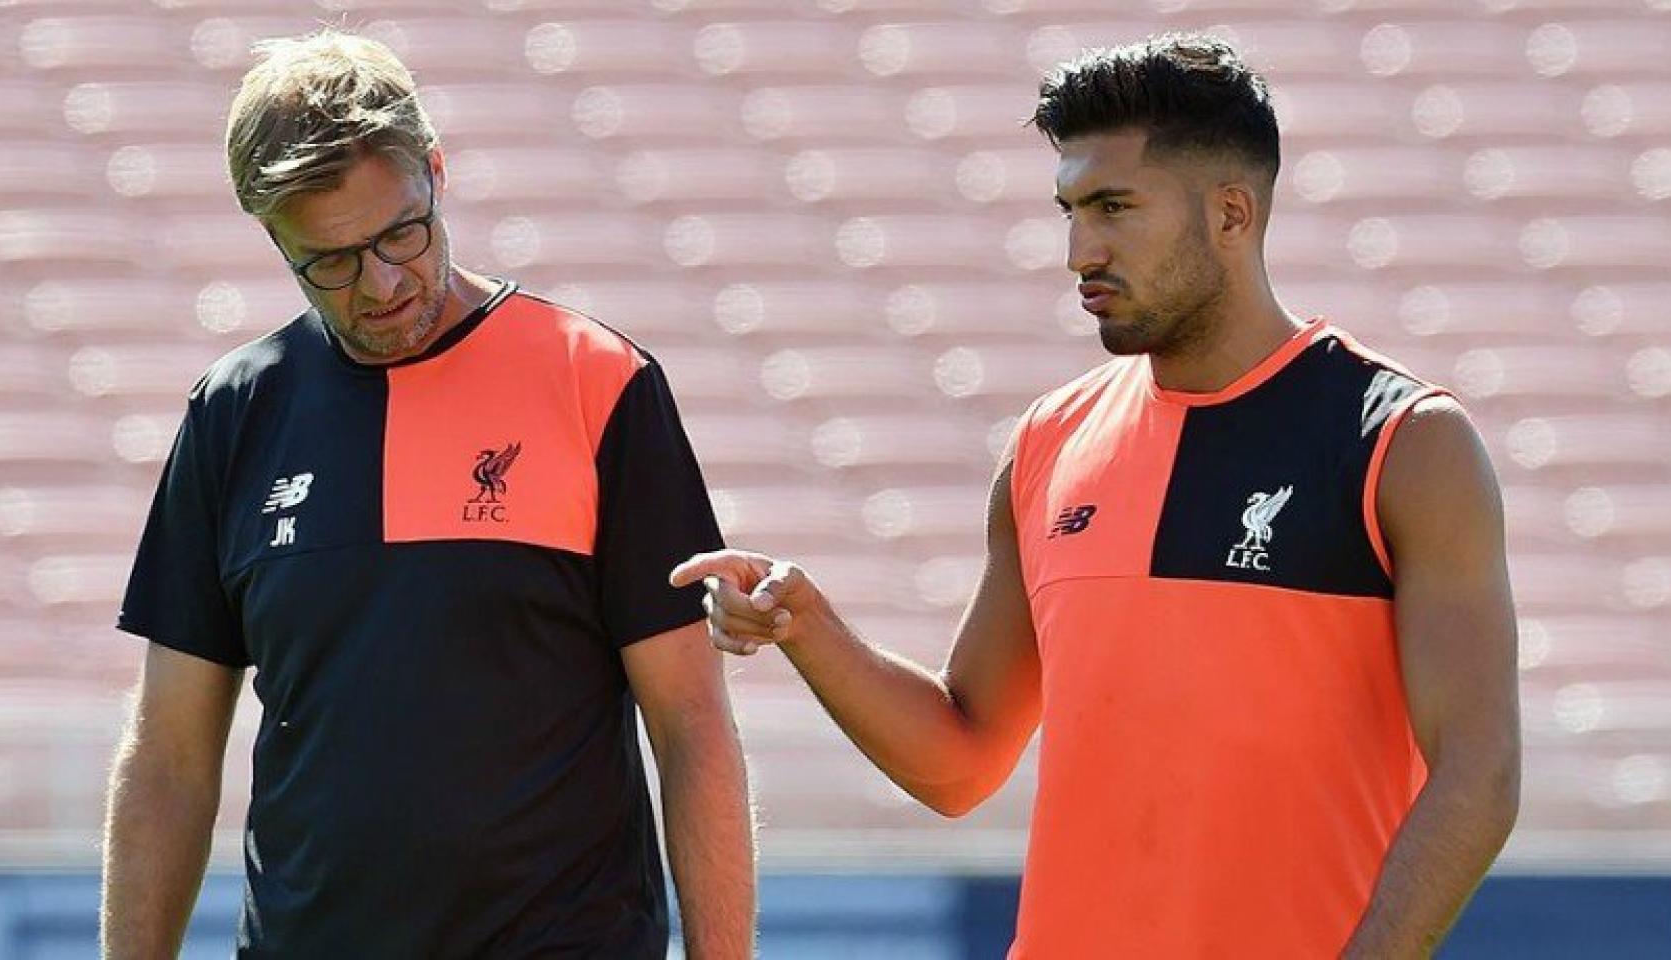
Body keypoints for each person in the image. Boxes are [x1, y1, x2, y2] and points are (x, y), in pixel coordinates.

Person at [674, 34, 1519, 958]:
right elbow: (961, 760)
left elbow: (1479, 774)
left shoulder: (1401, 440)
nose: (1081, 250)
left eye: (1114, 207)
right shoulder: (1049, 442)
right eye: (1070, 210)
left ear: (1231, 214)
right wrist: (809, 625)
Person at [103, 29, 753, 959]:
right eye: (329, 259)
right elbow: (167, 757)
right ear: (273, 238)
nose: (382, 283)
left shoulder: (596, 381)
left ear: (437, 173)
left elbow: (691, 729)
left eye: (401, 233)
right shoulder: (234, 412)